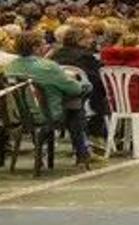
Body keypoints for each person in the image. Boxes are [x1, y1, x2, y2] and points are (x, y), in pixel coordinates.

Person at [5, 29, 92, 167]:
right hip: (48, 115)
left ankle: (40, 150)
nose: (46, 46)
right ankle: (82, 152)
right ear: (35, 48)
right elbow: (75, 89)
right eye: (44, 44)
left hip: (20, 115)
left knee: (47, 105)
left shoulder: (10, 66)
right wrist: (85, 83)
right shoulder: (48, 67)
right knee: (76, 105)